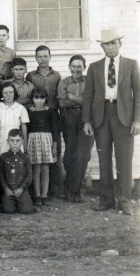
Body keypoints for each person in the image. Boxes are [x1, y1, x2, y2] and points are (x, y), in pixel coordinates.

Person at [83, 28, 140, 215]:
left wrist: (137, 120)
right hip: (101, 115)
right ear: (102, 46)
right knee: (104, 159)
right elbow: (88, 96)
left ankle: (125, 201)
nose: (111, 47)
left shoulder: (131, 64)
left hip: (123, 115)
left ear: (120, 44)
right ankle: (106, 200)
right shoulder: (94, 67)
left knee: (124, 160)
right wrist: (87, 121)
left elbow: (138, 94)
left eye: (114, 43)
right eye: (107, 44)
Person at [26, 45, 63, 198]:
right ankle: (36, 192)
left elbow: (59, 96)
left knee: (54, 154)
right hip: (36, 116)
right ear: (36, 58)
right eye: (39, 56)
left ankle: (54, 190)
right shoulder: (31, 76)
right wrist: (32, 107)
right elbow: (30, 96)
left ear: (50, 56)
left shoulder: (56, 76)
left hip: (52, 115)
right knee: (37, 163)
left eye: (45, 56)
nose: (42, 59)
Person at [58, 55, 94, 203]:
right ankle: (73, 188)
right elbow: (61, 103)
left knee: (83, 154)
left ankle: (73, 190)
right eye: (74, 66)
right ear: (69, 67)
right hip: (69, 118)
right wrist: (83, 100)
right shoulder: (64, 82)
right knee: (69, 155)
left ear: (84, 67)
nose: (76, 69)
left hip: (87, 119)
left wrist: (72, 98)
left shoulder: (90, 82)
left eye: (79, 66)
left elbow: (92, 103)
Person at [27, 87, 58, 207]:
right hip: (33, 140)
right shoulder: (29, 111)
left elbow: (55, 129)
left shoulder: (50, 111)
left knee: (45, 169)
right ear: (32, 99)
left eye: (42, 98)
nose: (39, 101)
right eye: (36, 98)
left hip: (46, 140)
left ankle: (45, 195)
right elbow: (27, 128)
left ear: (46, 99)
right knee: (36, 169)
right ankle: (37, 195)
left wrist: (54, 145)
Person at [0, 129, 33, 214]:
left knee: (26, 210)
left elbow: (29, 175)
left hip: (21, 189)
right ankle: (7, 203)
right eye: (12, 140)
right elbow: (0, 175)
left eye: (18, 141)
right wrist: (6, 188)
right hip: (9, 190)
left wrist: (21, 189)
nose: (15, 143)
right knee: (8, 210)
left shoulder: (25, 158)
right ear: (7, 141)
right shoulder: (3, 157)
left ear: (22, 142)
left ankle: (24, 202)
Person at [0, 82, 29, 158]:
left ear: (14, 93)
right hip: (3, 138)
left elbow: (23, 127)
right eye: (5, 92)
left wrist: (25, 144)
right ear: (2, 94)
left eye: (11, 92)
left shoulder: (20, 108)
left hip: (17, 139)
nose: (8, 95)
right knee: (3, 161)